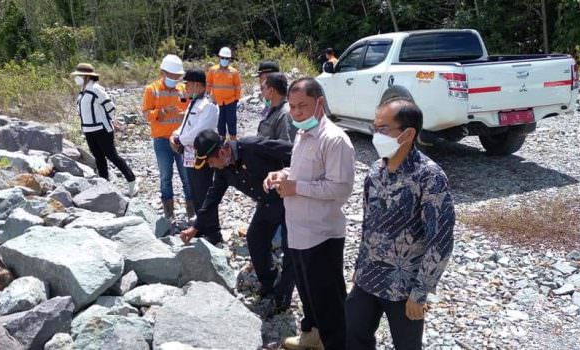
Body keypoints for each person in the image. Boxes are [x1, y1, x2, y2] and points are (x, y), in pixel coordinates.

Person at [346, 87, 455, 350]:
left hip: (403, 288)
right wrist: (358, 271)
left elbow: (439, 240)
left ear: (407, 134)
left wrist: (420, 292)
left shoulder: (429, 177)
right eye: (375, 127)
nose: (376, 135)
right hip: (368, 279)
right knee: (352, 336)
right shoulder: (375, 171)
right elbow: (367, 227)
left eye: (383, 129)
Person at [264, 78, 355, 350]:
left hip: (322, 234)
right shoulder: (303, 133)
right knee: (307, 293)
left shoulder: (335, 139)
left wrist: (296, 187)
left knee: (328, 300)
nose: (296, 112)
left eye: (302, 106)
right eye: (292, 106)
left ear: (320, 102)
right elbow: (303, 175)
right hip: (299, 230)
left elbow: (340, 188)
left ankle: (335, 343)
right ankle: (312, 335)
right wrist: (282, 175)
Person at [180, 129, 296, 311]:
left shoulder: (253, 146)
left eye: (211, 162)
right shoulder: (224, 170)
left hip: (291, 202)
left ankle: (282, 297)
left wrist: (287, 174)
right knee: (255, 239)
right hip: (266, 204)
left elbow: (294, 151)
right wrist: (196, 226)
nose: (211, 166)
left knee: (292, 250)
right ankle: (269, 284)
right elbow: (213, 197)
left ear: (222, 152)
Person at [71, 63, 138, 196]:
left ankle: (132, 181)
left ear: (86, 76)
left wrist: (109, 120)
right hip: (88, 130)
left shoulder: (96, 89)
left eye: (79, 75)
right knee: (98, 158)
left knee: (112, 156)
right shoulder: (82, 91)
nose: (76, 78)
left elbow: (110, 107)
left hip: (102, 129)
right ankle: (104, 185)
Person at [142, 55, 193, 220]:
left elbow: (191, 109)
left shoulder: (183, 90)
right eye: (171, 75)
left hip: (181, 140)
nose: (174, 79)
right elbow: (146, 114)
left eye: (177, 76)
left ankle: (192, 214)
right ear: (163, 72)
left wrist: (185, 113)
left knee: (187, 176)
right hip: (162, 141)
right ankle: (169, 214)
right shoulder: (152, 89)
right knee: (166, 177)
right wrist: (160, 112)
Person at [170, 69, 219, 220]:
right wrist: (174, 134)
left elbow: (199, 132)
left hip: (202, 158)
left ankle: (212, 232)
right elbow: (185, 126)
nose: (186, 88)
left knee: (204, 193)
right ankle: (201, 226)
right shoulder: (194, 103)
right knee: (195, 194)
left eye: (188, 85)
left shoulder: (208, 105)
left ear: (198, 85)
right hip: (189, 156)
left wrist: (179, 140)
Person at [206, 47, 241, 141]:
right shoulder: (212, 70)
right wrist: (207, 96)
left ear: (229, 59)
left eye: (227, 58)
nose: (224, 60)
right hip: (217, 102)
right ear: (219, 57)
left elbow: (237, 86)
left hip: (231, 101)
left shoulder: (234, 72)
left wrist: (237, 99)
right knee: (220, 122)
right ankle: (222, 141)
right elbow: (208, 83)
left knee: (231, 122)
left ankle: (233, 142)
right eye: (223, 58)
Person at [258, 72, 296, 142]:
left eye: (262, 88)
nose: (261, 93)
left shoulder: (284, 114)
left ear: (271, 91)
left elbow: (284, 146)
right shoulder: (273, 110)